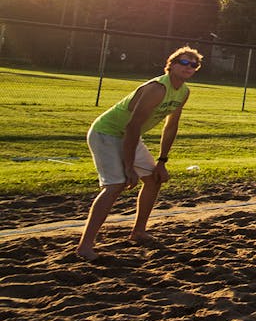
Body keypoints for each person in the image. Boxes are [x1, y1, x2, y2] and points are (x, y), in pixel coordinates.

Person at [75, 46, 201, 260]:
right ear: (171, 65)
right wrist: (128, 166)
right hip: (107, 133)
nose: (188, 66)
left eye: (193, 64)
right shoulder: (157, 88)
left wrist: (162, 161)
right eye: (184, 62)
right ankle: (85, 246)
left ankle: (139, 232)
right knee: (116, 185)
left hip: (129, 136)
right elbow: (132, 127)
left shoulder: (183, 92)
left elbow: (171, 126)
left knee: (153, 179)